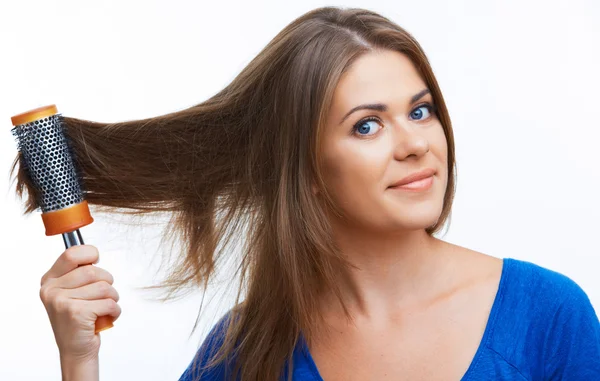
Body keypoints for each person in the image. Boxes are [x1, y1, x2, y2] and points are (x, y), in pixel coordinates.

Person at [16, 6, 598, 381]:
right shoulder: (248, 350)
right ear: (306, 166)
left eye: (421, 111)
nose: (416, 144)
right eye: (367, 125)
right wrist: (79, 360)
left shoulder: (546, 316)